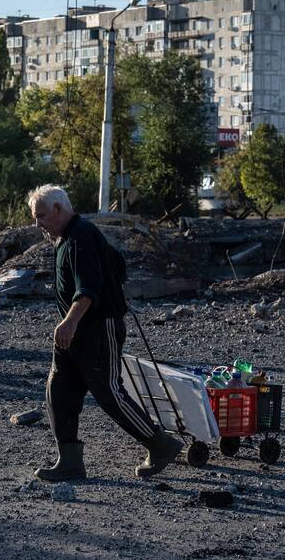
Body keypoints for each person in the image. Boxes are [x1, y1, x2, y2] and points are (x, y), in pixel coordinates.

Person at [27, 184, 183, 481]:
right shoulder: (68, 237)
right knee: (58, 390)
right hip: (73, 331)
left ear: (59, 210)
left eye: (42, 216)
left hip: (97, 327)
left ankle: (160, 443)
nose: (39, 224)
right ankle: (70, 461)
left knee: (108, 391)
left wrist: (70, 322)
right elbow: (118, 265)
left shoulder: (82, 235)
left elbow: (88, 289)